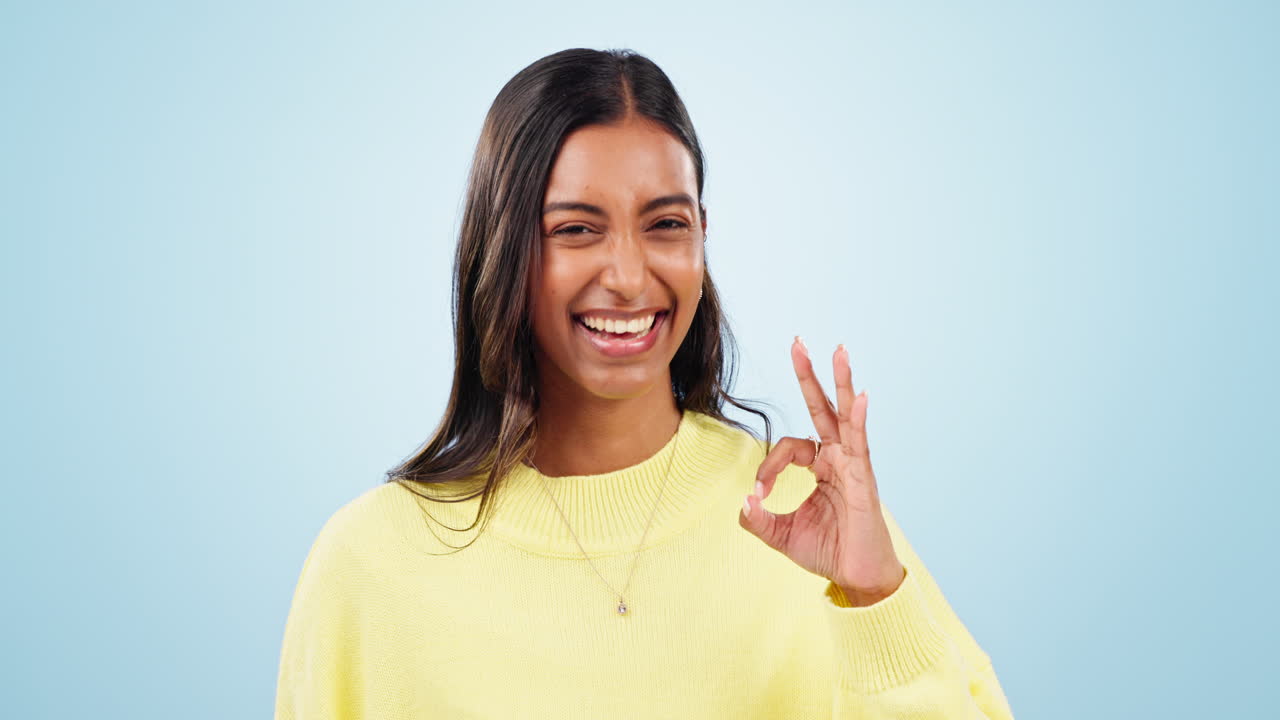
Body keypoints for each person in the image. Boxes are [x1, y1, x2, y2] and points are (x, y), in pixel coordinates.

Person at [273, 47, 1015, 719]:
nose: (629, 277)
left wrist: (876, 599)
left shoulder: (812, 521)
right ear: (502, 249)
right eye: (575, 229)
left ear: (702, 237)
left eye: (665, 225)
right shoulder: (372, 565)